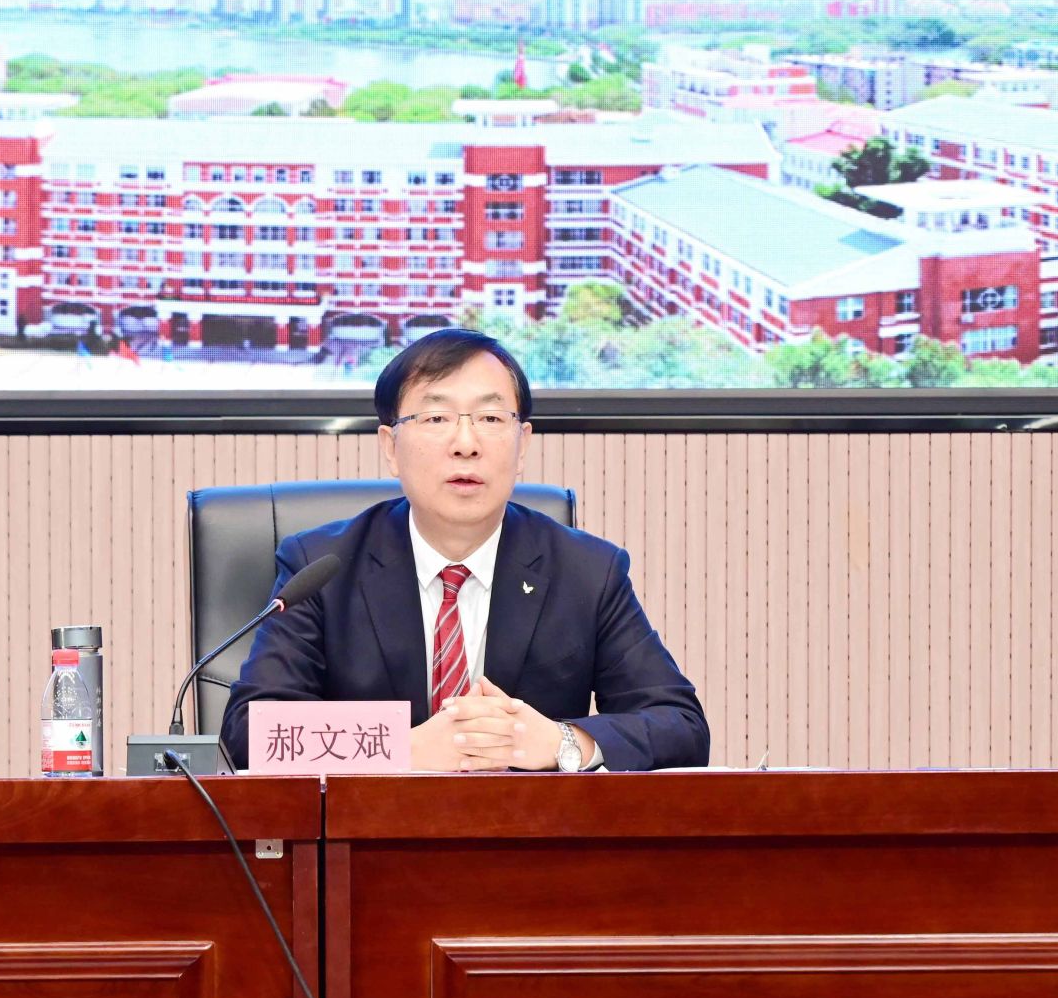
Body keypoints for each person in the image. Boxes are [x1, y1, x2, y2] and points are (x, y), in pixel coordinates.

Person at [221, 328, 709, 772]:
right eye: (436, 417)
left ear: (522, 444)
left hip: (527, 833)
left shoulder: (587, 570)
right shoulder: (320, 567)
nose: (466, 443)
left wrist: (561, 742)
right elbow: (250, 732)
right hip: (370, 834)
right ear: (390, 446)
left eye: (490, 417)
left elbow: (681, 725)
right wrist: (404, 748)